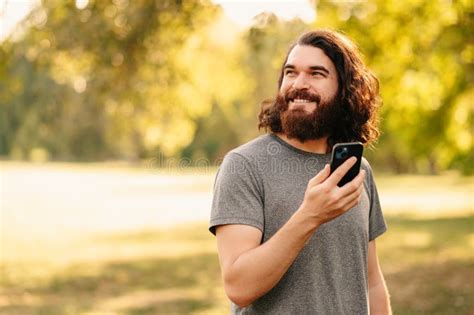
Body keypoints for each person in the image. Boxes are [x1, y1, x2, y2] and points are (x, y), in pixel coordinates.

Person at [209, 29, 391, 314]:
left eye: (316, 74)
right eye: (291, 73)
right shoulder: (245, 165)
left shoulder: (354, 170)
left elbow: (372, 282)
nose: (298, 84)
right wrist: (310, 216)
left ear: (345, 89)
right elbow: (239, 287)